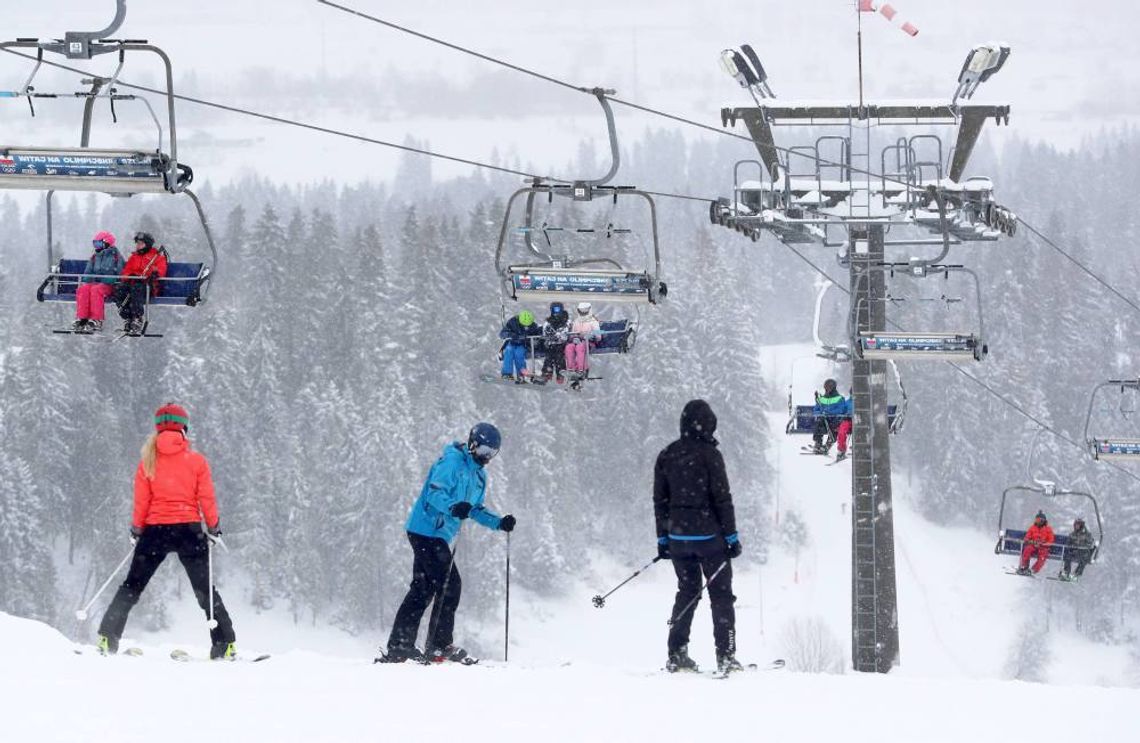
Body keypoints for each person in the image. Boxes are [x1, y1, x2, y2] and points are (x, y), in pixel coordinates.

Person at [96, 403, 237, 659]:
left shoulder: (147, 461)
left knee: (132, 587)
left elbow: (141, 501)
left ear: (157, 428)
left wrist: (137, 530)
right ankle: (225, 645)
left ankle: (108, 638)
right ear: (184, 428)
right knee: (205, 591)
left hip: (154, 532)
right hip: (189, 531)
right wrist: (214, 527)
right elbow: (207, 498)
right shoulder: (196, 461)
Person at [380, 422, 516, 664]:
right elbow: (434, 494)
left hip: (439, 534)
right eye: (484, 450)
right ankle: (438, 645)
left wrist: (499, 522)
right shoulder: (452, 463)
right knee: (450, 584)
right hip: (425, 529)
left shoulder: (479, 476)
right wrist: (453, 506)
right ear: (473, 444)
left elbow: (473, 509)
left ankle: (400, 647)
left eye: (492, 453)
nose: (487, 457)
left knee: (423, 589)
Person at [653, 399, 743, 675]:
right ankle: (725, 656)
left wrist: (663, 539)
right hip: (710, 539)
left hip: (679, 540)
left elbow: (660, 501)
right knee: (721, 597)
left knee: (687, 591)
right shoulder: (710, 455)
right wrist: (731, 536)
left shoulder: (667, 454)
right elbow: (722, 498)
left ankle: (677, 653)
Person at [112, 231, 168, 334]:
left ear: (147, 245)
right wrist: (130, 276)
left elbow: (161, 270)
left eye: (141, 244)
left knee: (136, 289)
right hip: (133, 283)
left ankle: (137, 317)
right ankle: (127, 317)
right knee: (119, 290)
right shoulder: (134, 257)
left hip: (148, 286)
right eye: (137, 243)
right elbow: (126, 271)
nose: (138, 246)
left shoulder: (157, 257)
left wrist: (154, 273)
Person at [73, 231, 124, 332]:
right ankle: (82, 318)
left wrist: (109, 279)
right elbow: (88, 272)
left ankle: (96, 319)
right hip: (95, 284)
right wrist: (88, 278)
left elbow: (120, 274)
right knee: (83, 289)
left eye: (99, 244)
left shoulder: (116, 256)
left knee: (96, 290)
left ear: (107, 243)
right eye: (95, 244)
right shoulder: (95, 257)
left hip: (109, 285)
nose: (96, 247)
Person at [811, 378, 852, 460]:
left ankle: (827, 446)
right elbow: (815, 410)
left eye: (829, 387)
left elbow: (841, 409)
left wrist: (829, 412)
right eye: (826, 387)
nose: (827, 389)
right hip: (824, 420)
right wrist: (820, 414)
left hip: (834, 420)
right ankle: (818, 443)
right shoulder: (821, 399)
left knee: (836, 428)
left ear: (833, 387)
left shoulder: (840, 398)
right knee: (819, 422)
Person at [499, 310, 541, 381]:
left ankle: (521, 374)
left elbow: (536, 334)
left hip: (523, 344)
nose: (526, 326)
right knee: (509, 351)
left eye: (528, 325)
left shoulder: (533, 325)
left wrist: (534, 340)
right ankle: (507, 373)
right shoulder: (512, 322)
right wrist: (512, 335)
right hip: (511, 343)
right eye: (524, 325)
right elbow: (502, 334)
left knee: (519, 352)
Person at [565, 301, 602, 375]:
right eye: (581, 311)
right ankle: (571, 369)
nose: (583, 313)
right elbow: (572, 333)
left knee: (580, 347)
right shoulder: (576, 321)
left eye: (585, 311)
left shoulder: (593, 321)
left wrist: (589, 337)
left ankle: (581, 369)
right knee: (569, 347)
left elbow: (598, 336)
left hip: (589, 343)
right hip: (577, 341)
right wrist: (573, 338)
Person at [1016, 511, 1055, 576]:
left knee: (1042, 557)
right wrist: (1031, 541)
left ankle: (1033, 570)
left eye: (1040, 520)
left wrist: (1043, 543)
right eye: (1037, 520)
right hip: (1033, 545)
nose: (1039, 521)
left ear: (1044, 521)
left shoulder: (1048, 529)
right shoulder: (1032, 528)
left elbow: (1051, 540)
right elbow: (1026, 538)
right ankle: (1024, 567)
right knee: (1027, 550)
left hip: (1043, 547)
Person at [540, 301, 570, 383]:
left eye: (558, 309)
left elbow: (567, 333)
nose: (556, 312)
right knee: (549, 355)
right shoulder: (548, 322)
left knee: (559, 355)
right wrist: (549, 336)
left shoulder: (566, 321)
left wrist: (560, 336)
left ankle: (560, 373)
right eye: (554, 309)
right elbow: (544, 333)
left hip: (562, 344)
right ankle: (547, 373)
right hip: (551, 344)